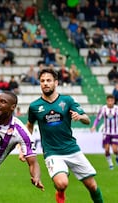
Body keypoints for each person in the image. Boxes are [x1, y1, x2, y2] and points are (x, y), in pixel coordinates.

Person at [26, 68, 104, 203]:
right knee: (62, 183)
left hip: (72, 149)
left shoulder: (67, 101)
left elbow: (87, 120)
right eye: (42, 81)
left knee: (92, 185)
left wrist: (79, 117)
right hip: (52, 152)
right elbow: (30, 126)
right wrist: (25, 146)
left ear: (56, 83)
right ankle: (60, 193)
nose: (45, 83)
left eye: (48, 80)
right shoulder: (34, 106)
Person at [91, 94, 118, 170]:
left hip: (115, 132)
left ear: (114, 101)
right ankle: (111, 164)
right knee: (106, 150)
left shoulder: (116, 109)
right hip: (106, 132)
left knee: (115, 150)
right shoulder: (103, 109)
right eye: (108, 101)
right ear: (106, 101)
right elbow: (98, 119)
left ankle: (117, 156)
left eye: (111, 101)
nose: (110, 102)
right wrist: (94, 126)